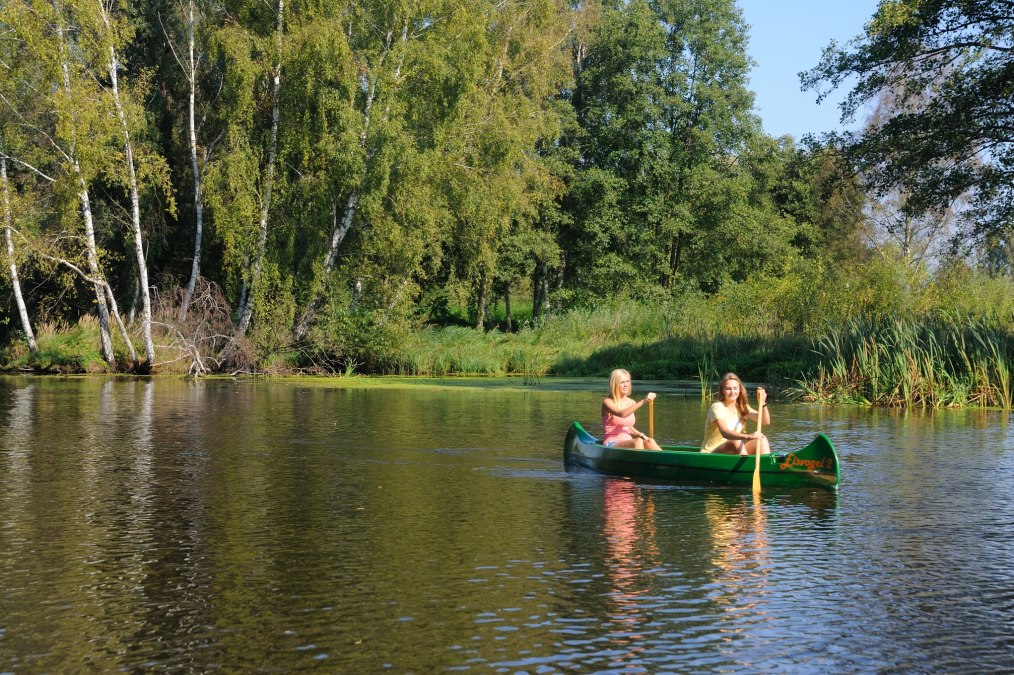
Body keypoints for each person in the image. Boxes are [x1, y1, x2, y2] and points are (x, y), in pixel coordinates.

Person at [700, 372, 770, 455]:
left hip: (733, 451)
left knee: (762, 439)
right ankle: (747, 466)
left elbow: (765, 421)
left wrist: (762, 403)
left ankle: (765, 465)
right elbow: (725, 433)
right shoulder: (717, 407)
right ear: (723, 390)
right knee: (735, 441)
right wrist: (748, 436)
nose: (732, 392)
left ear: (740, 389)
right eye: (728, 389)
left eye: (735, 388)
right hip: (711, 453)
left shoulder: (741, 407)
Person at [602, 369, 661, 450]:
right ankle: (640, 462)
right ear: (614, 385)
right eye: (622, 382)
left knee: (650, 441)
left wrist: (642, 435)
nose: (626, 385)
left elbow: (628, 427)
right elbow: (622, 414)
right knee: (638, 441)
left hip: (628, 441)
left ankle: (669, 461)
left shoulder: (631, 402)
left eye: (627, 381)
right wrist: (644, 400)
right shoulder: (607, 402)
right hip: (611, 443)